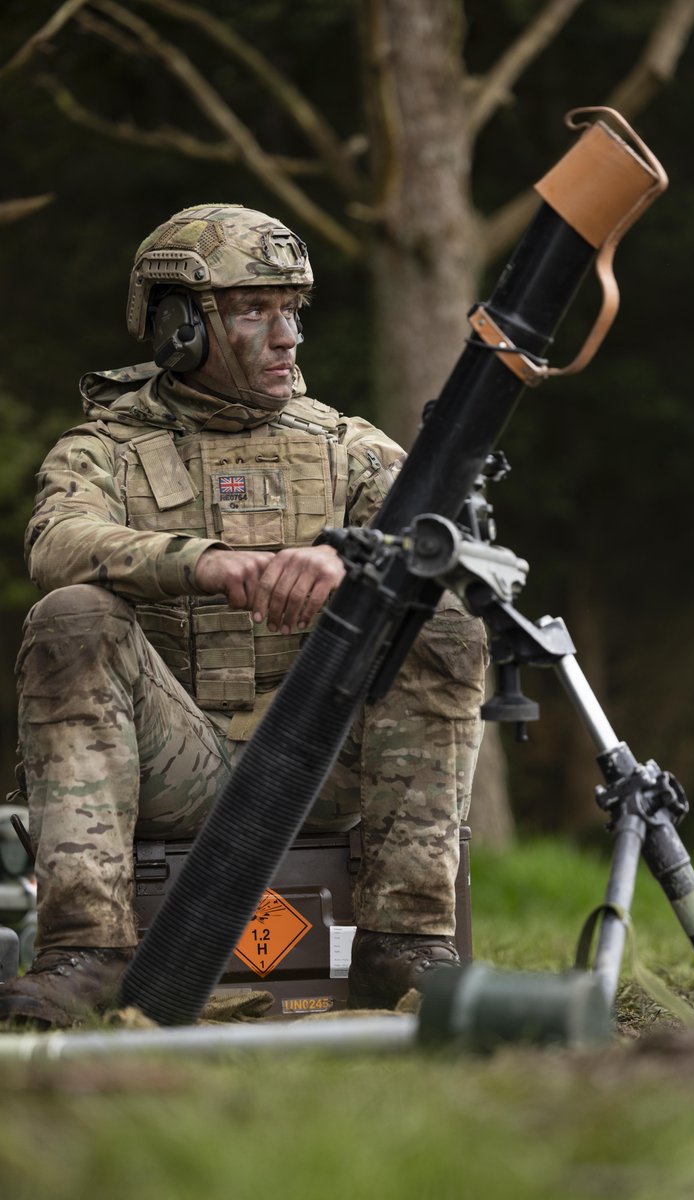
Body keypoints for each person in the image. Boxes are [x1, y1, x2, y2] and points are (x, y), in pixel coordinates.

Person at [0, 204, 486, 1028]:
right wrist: (207, 560)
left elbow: (457, 547)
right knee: (73, 614)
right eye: (254, 309)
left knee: (442, 622)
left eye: (292, 308)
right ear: (180, 326)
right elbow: (55, 540)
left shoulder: (352, 450)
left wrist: (350, 562)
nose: (288, 334)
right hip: (176, 768)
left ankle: (403, 943)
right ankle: (84, 951)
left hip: (321, 762)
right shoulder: (104, 448)